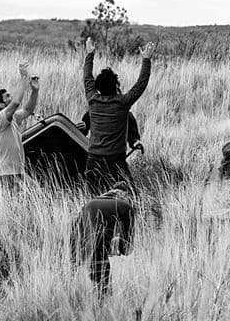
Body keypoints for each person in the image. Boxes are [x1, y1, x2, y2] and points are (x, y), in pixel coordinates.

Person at [82, 36, 155, 192]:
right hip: (115, 161)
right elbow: (141, 84)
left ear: (98, 87)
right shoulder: (123, 103)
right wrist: (146, 59)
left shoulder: (93, 100)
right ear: (116, 86)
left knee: (93, 199)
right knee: (131, 197)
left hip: (93, 160)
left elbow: (87, 76)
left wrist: (90, 53)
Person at [71, 181, 135, 295]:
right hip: (98, 240)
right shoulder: (125, 207)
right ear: (125, 195)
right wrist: (124, 249)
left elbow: (75, 227)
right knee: (102, 279)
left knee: (74, 272)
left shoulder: (90, 203)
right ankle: (103, 303)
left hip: (78, 241)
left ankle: (73, 295)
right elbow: (128, 236)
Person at [0, 63, 40, 189]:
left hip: (17, 171)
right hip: (4, 173)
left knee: (37, 191)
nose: (11, 96)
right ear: (1, 105)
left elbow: (28, 110)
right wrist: (24, 78)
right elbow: (17, 102)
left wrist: (35, 91)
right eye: (7, 96)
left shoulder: (12, 118)